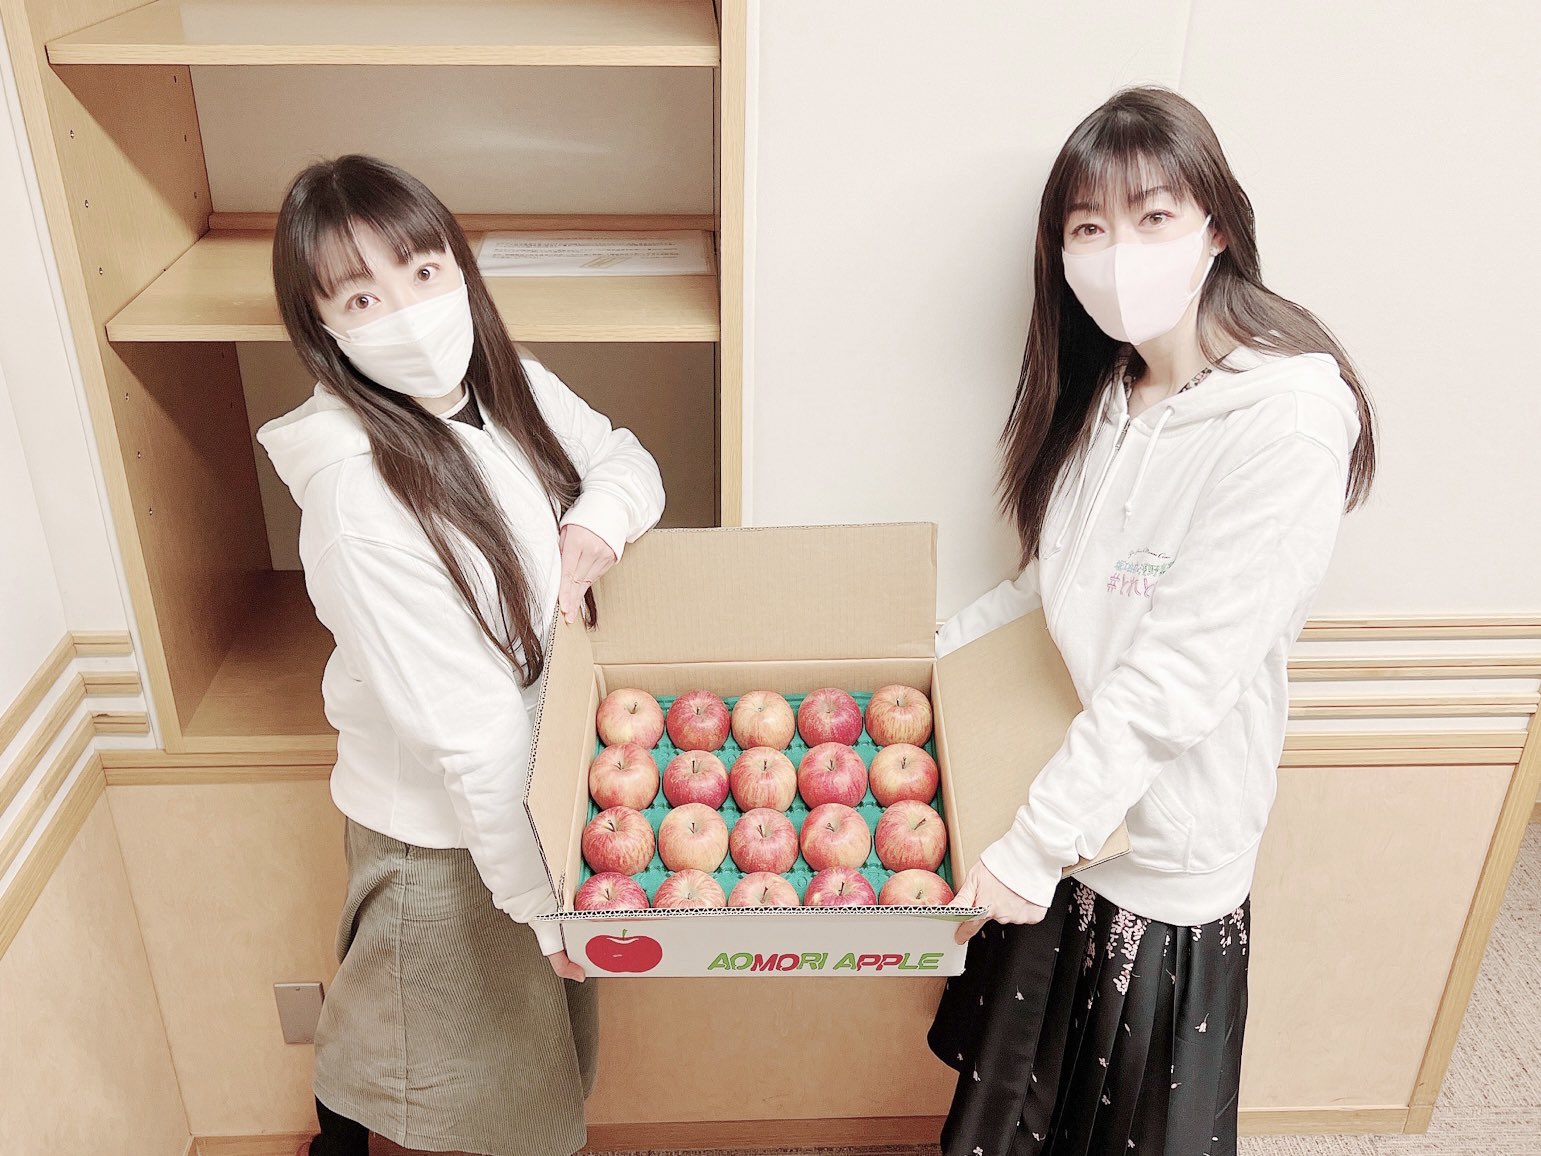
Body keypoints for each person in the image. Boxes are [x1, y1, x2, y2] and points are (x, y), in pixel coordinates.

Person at [929, 87, 1377, 1154]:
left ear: (1216, 226)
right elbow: (1044, 592)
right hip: (1060, 818)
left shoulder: (1289, 420)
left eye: (1152, 216)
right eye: (1087, 228)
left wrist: (1031, 844)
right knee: (1013, 1127)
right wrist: (915, 669)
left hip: (1155, 857)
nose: (1116, 253)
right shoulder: (1109, 395)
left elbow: (1176, 677)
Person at [257, 155, 665, 1156]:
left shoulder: (494, 383)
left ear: (459, 267)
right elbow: (471, 735)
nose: (408, 313)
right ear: (323, 328)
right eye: (362, 297)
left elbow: (623, 457)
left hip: (529, 791)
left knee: (486, 1059)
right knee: (468, 1085)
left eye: (423, 271)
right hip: (447, 830)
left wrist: (597, 522)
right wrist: (543, 909)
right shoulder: (359, 496)